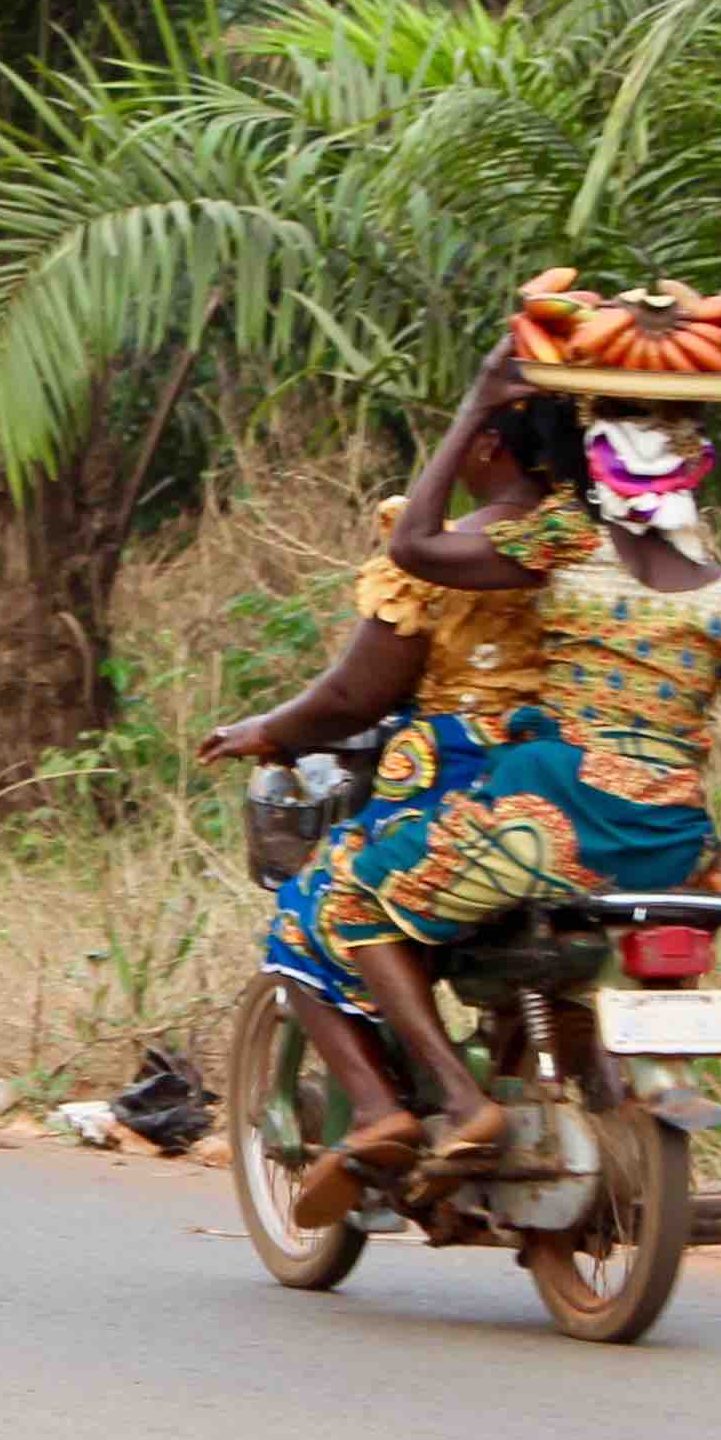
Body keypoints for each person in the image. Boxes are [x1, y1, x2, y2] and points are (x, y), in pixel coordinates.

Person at [280, 354, 721, 1199]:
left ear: (597, 461)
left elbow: (416, 545)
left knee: (349, 900)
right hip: (671, 839)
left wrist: (479, 401)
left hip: (548, 819)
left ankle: (458, 1100)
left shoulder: (564, 544)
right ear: (694, 466)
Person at [199, 363, 599, 1187]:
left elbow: (357, 694)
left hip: (459, 784)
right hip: (585, 787)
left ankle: (405, 1108)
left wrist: (267, 732)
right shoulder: (598, 544)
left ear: (486, 441)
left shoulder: (448, 552)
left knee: (315, 909)